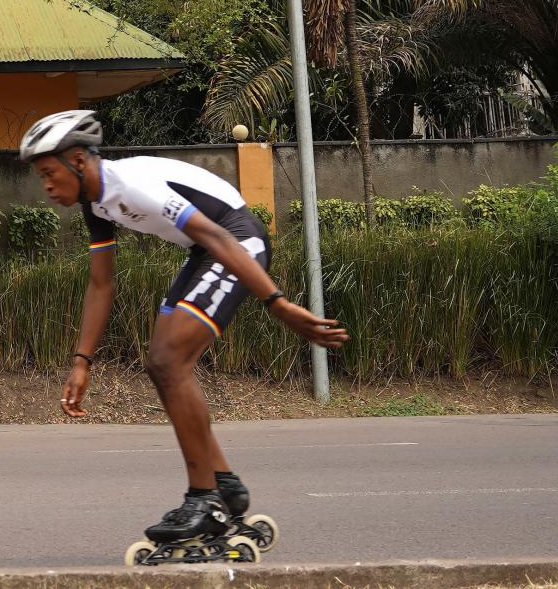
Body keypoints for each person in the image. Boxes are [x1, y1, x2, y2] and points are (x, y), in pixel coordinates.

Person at [21, 108, 349, 553]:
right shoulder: (95, 202)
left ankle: (205, 500)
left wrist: (278, 303)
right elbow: (101, 284)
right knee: (162, 366)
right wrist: (82, 363)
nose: (46, 186)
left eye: (48, 172)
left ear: (78, 161)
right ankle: (223, 483)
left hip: (235, 241)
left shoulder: (132, 187)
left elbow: (221, 239)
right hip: (204, 252)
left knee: (168, 361)